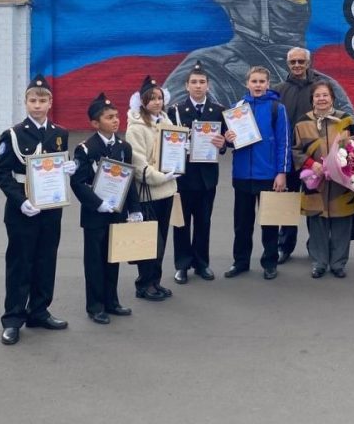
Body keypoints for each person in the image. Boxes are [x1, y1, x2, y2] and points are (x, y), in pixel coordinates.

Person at [162, 0, 354, 118]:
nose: (301, 5)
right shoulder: (208, 69)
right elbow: (178, 127)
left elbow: (351, 131)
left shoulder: (323, 86)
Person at [0, 74, 75, 346]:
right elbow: (1, 173)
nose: (37, 105)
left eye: (42, 100)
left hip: (51, 206)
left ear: (50, 103)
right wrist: (20, 201)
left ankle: (39, 311)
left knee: (46, 259)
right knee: (20, 263)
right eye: (32, 100)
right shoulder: (13, 134)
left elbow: (57, 164)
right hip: (23, 208)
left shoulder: (60, 134)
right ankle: (13, 319)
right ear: (25, 102)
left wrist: (70, 168)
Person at [70, 92, 140, 324]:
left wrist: (135, 209)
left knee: (112, 258)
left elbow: (129, 180)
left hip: (116, 212)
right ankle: (95, 306)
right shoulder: (86, 149)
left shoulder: (123, 147)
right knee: (95, 262)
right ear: (95, 123)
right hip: (95, 215)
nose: (115, 120)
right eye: (109, 117)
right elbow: (78, 182)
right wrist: (98, 203)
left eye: (116, 116)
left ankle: (112, 301)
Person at [223, 66, 291, 280]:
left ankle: (270, 262)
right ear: (247, 84)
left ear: (268, 84)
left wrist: (281, 172)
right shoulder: (237, 108)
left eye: (262, 81)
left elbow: (284, 142)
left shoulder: (277, 108)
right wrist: (228, 138)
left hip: (268, 174)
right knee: (242, 224)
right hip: (242, 174)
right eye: (254, 81)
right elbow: (232, 142)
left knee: (269, 223)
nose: (258, 85)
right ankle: (240, 262)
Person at [292, 80, 354, 278]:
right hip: (315, 182)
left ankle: (339, 263)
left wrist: (347, 166)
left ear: (332, 98)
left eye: (325, 95)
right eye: (317, 96)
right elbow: (296, 151)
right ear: (312, 99)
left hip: (342, 183)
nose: (321, 99)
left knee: (342, 223)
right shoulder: (302, 122)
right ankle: (319, 262)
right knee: (317, 222)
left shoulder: (345, 120)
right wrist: (310, 164)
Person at [168, 61, 226, 284]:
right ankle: (182, 265)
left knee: (203, 222)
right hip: (183, 177)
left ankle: (202, 263)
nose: (198, 86)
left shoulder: (218, 111)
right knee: (181, 223)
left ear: (208, 85)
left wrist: (222, 144)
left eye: (202, 82)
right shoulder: (175, 111)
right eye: (194, 82)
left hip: (207, 178)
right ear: (186, 85)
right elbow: (166, 141)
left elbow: (226, 141)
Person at [273, 47, 330, 264]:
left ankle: (315, 248)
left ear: (308, 62)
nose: (297, 65)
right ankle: (284, 247)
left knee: (314, 205)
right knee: (288, 204)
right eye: (293, 62)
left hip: (313, 161)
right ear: (288, 64)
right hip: (288, 159)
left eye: (301, 61)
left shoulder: (319, 88)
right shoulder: (278, 90)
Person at [124, 76, 179, 302]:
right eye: (152, 98)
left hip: (167, 191)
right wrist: (160, 176)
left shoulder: (167, 121)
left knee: (162, 240)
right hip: (149, 193)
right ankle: (144, 284)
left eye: (159, 98)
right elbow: (138, 165)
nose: (157, 102)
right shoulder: (135, 128)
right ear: (142, 102)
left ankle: (155, 281)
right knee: (148, 241)